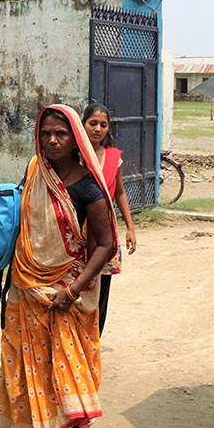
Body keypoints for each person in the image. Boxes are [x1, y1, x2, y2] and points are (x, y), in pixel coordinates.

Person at [0, 104, 117, 428]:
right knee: (18, 359)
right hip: (25, 281)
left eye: (60, 134)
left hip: (68, 288)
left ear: (74, 138)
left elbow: (107, 244)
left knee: (69, 360)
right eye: (46, 133)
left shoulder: (88, 186)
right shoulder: (35, 171)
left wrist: (73, 289)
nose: (51, 140)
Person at [81, 102, 137, 334]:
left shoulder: (114, 157)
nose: (98, 129)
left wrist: (130, 228)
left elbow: (121, 193)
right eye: (93, 123)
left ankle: (95, 337)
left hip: (105, 231)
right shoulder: (74, 156)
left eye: (103, 125)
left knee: (101, 287)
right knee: (77, 282)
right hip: (78, 230)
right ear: (82, 125)